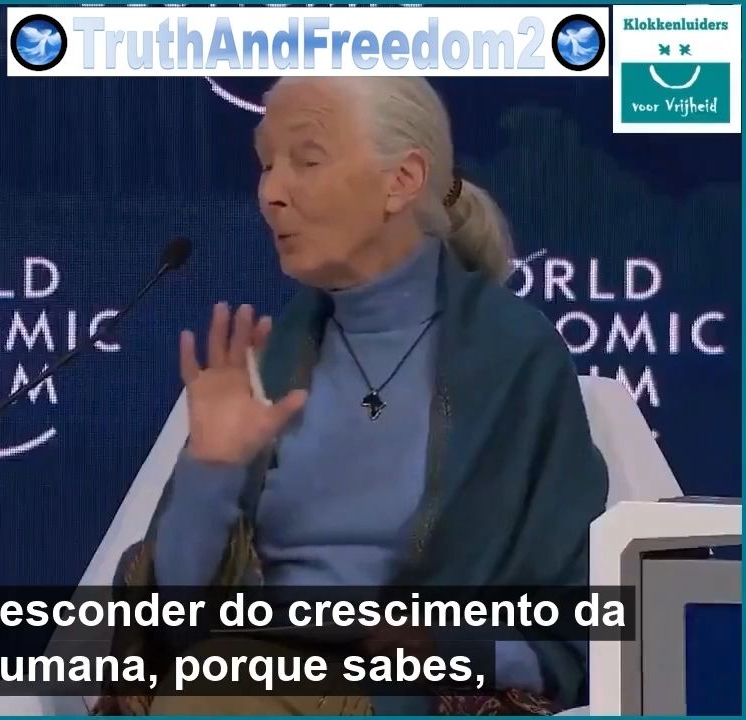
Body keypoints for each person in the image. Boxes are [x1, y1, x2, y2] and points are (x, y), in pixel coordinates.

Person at [92, 77, 609, 716]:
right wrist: (211, 473)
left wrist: (456, 647)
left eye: (306, 161)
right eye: (266, 164)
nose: (270, 193)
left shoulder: (513, 357)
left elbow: (580, 623)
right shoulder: (273, 359)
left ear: (402, 180)